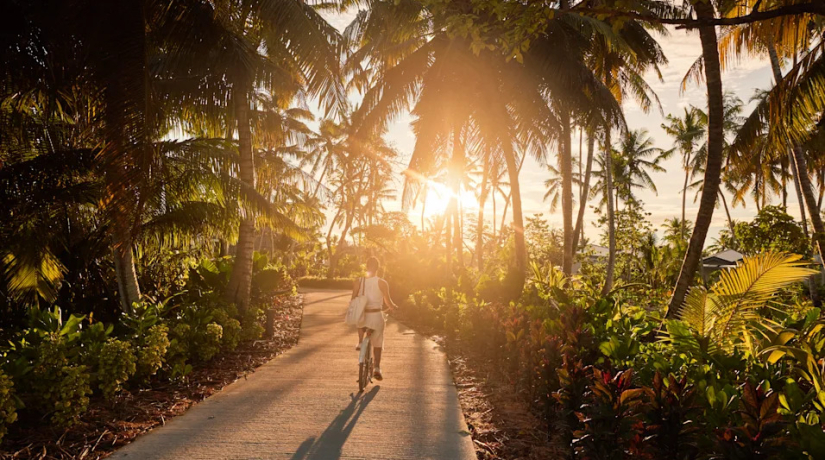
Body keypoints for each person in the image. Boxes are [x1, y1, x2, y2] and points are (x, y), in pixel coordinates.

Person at [351, 256, 398, 381]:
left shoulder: (358, 281)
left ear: (366, 267)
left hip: (362, 315)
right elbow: (387, 301)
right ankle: (376, 367)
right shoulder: (382, 283)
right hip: (376, 315)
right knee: (377, 342)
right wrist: (393, 307)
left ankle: (361, 341)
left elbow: (353, 299)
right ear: (378, 268)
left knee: (360, 322)